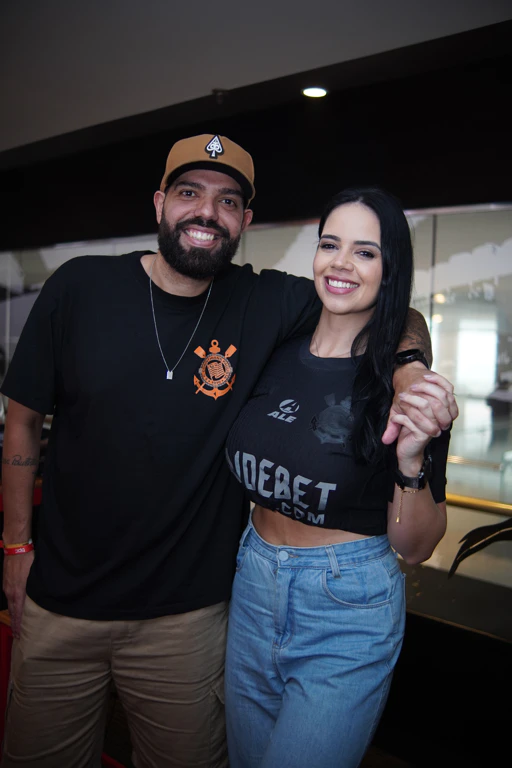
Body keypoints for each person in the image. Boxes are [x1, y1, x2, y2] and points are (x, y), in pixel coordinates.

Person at [0, 136, 453, 768]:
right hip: (72, 600)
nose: (207, 212)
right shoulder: (82, 286)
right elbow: (22, 422)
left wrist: (408, 369)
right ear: (160, 202)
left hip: (196, 617)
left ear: (245, 220)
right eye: (189, 192)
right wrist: (16, 548)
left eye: (228, 200)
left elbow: (391, 309)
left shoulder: (265, 302)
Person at [224, 186, 457, 768]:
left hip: (346, 604)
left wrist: (410, 461)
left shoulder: (407, 389)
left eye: (366, 252)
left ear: (390, 268)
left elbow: (416, 548)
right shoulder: (275, 346)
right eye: (330, 245)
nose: (341, 263)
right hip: (252, 584)